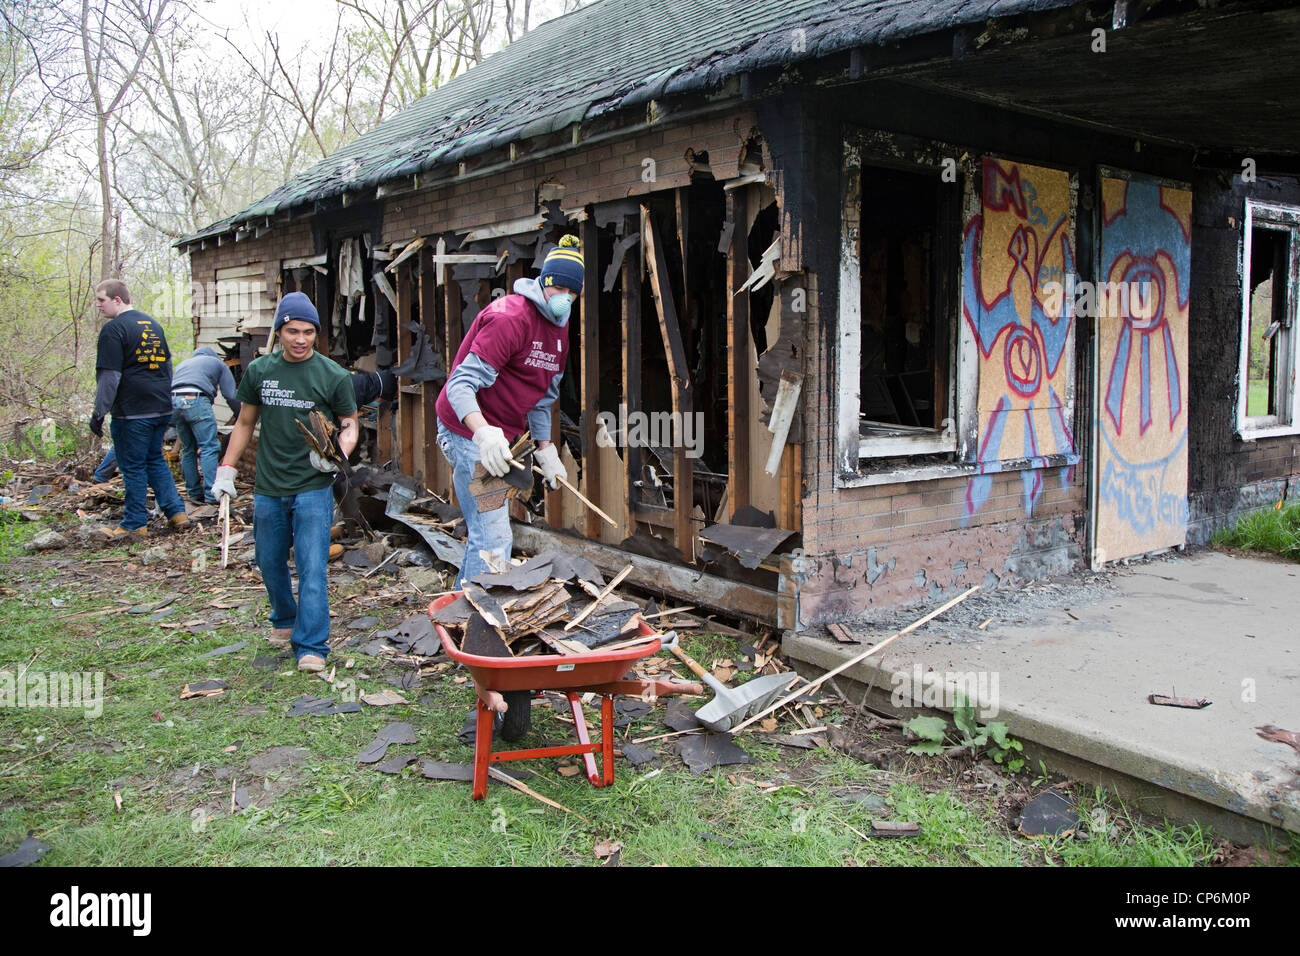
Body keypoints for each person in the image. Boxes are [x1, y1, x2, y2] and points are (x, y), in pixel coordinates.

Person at [434, 235, 580, 713]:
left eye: (575, 296)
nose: (568, 302)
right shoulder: (509, 317)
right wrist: (483, 434)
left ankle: (462, 619)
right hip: (464, 429)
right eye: (564, 292)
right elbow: (460, 385)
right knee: (494, 536)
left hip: (506, 436)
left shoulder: (560, 329)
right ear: (547, 284)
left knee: (484, 533)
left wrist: (545, 448)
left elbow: (541, 398)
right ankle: (481, 642)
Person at [211, 292, 358, 673]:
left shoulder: (334, 375)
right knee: (269, 560)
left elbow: (349, 423)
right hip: (269, 486)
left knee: (312, 566)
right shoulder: (261, 372)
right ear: (280, 331)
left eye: (309, 332)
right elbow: (245, 423)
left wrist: (336, 454)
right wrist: (226, 468)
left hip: (313, 485)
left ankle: (311, 646)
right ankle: (284, 617)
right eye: (293, 331)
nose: (301, 339)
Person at [90, 279, 190, 538]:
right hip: (160, 408)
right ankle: (176, 513)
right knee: (154, 459)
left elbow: (109, 377)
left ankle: (134, 523)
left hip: (132, 412)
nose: (98, 305)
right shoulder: (153, 325)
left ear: (117, 300)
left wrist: (99, 412)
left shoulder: (114, 329)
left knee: (132, 466)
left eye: (101, 300)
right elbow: (167, 367)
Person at [170, 345, 241, 504]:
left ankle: (193, 492)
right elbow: (230, 394)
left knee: (188, 449)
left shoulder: (184, 364)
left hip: (174, 401)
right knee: (209, 447)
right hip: (195, 399)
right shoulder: (218, 364)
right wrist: (242, 416)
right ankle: (211, 495)